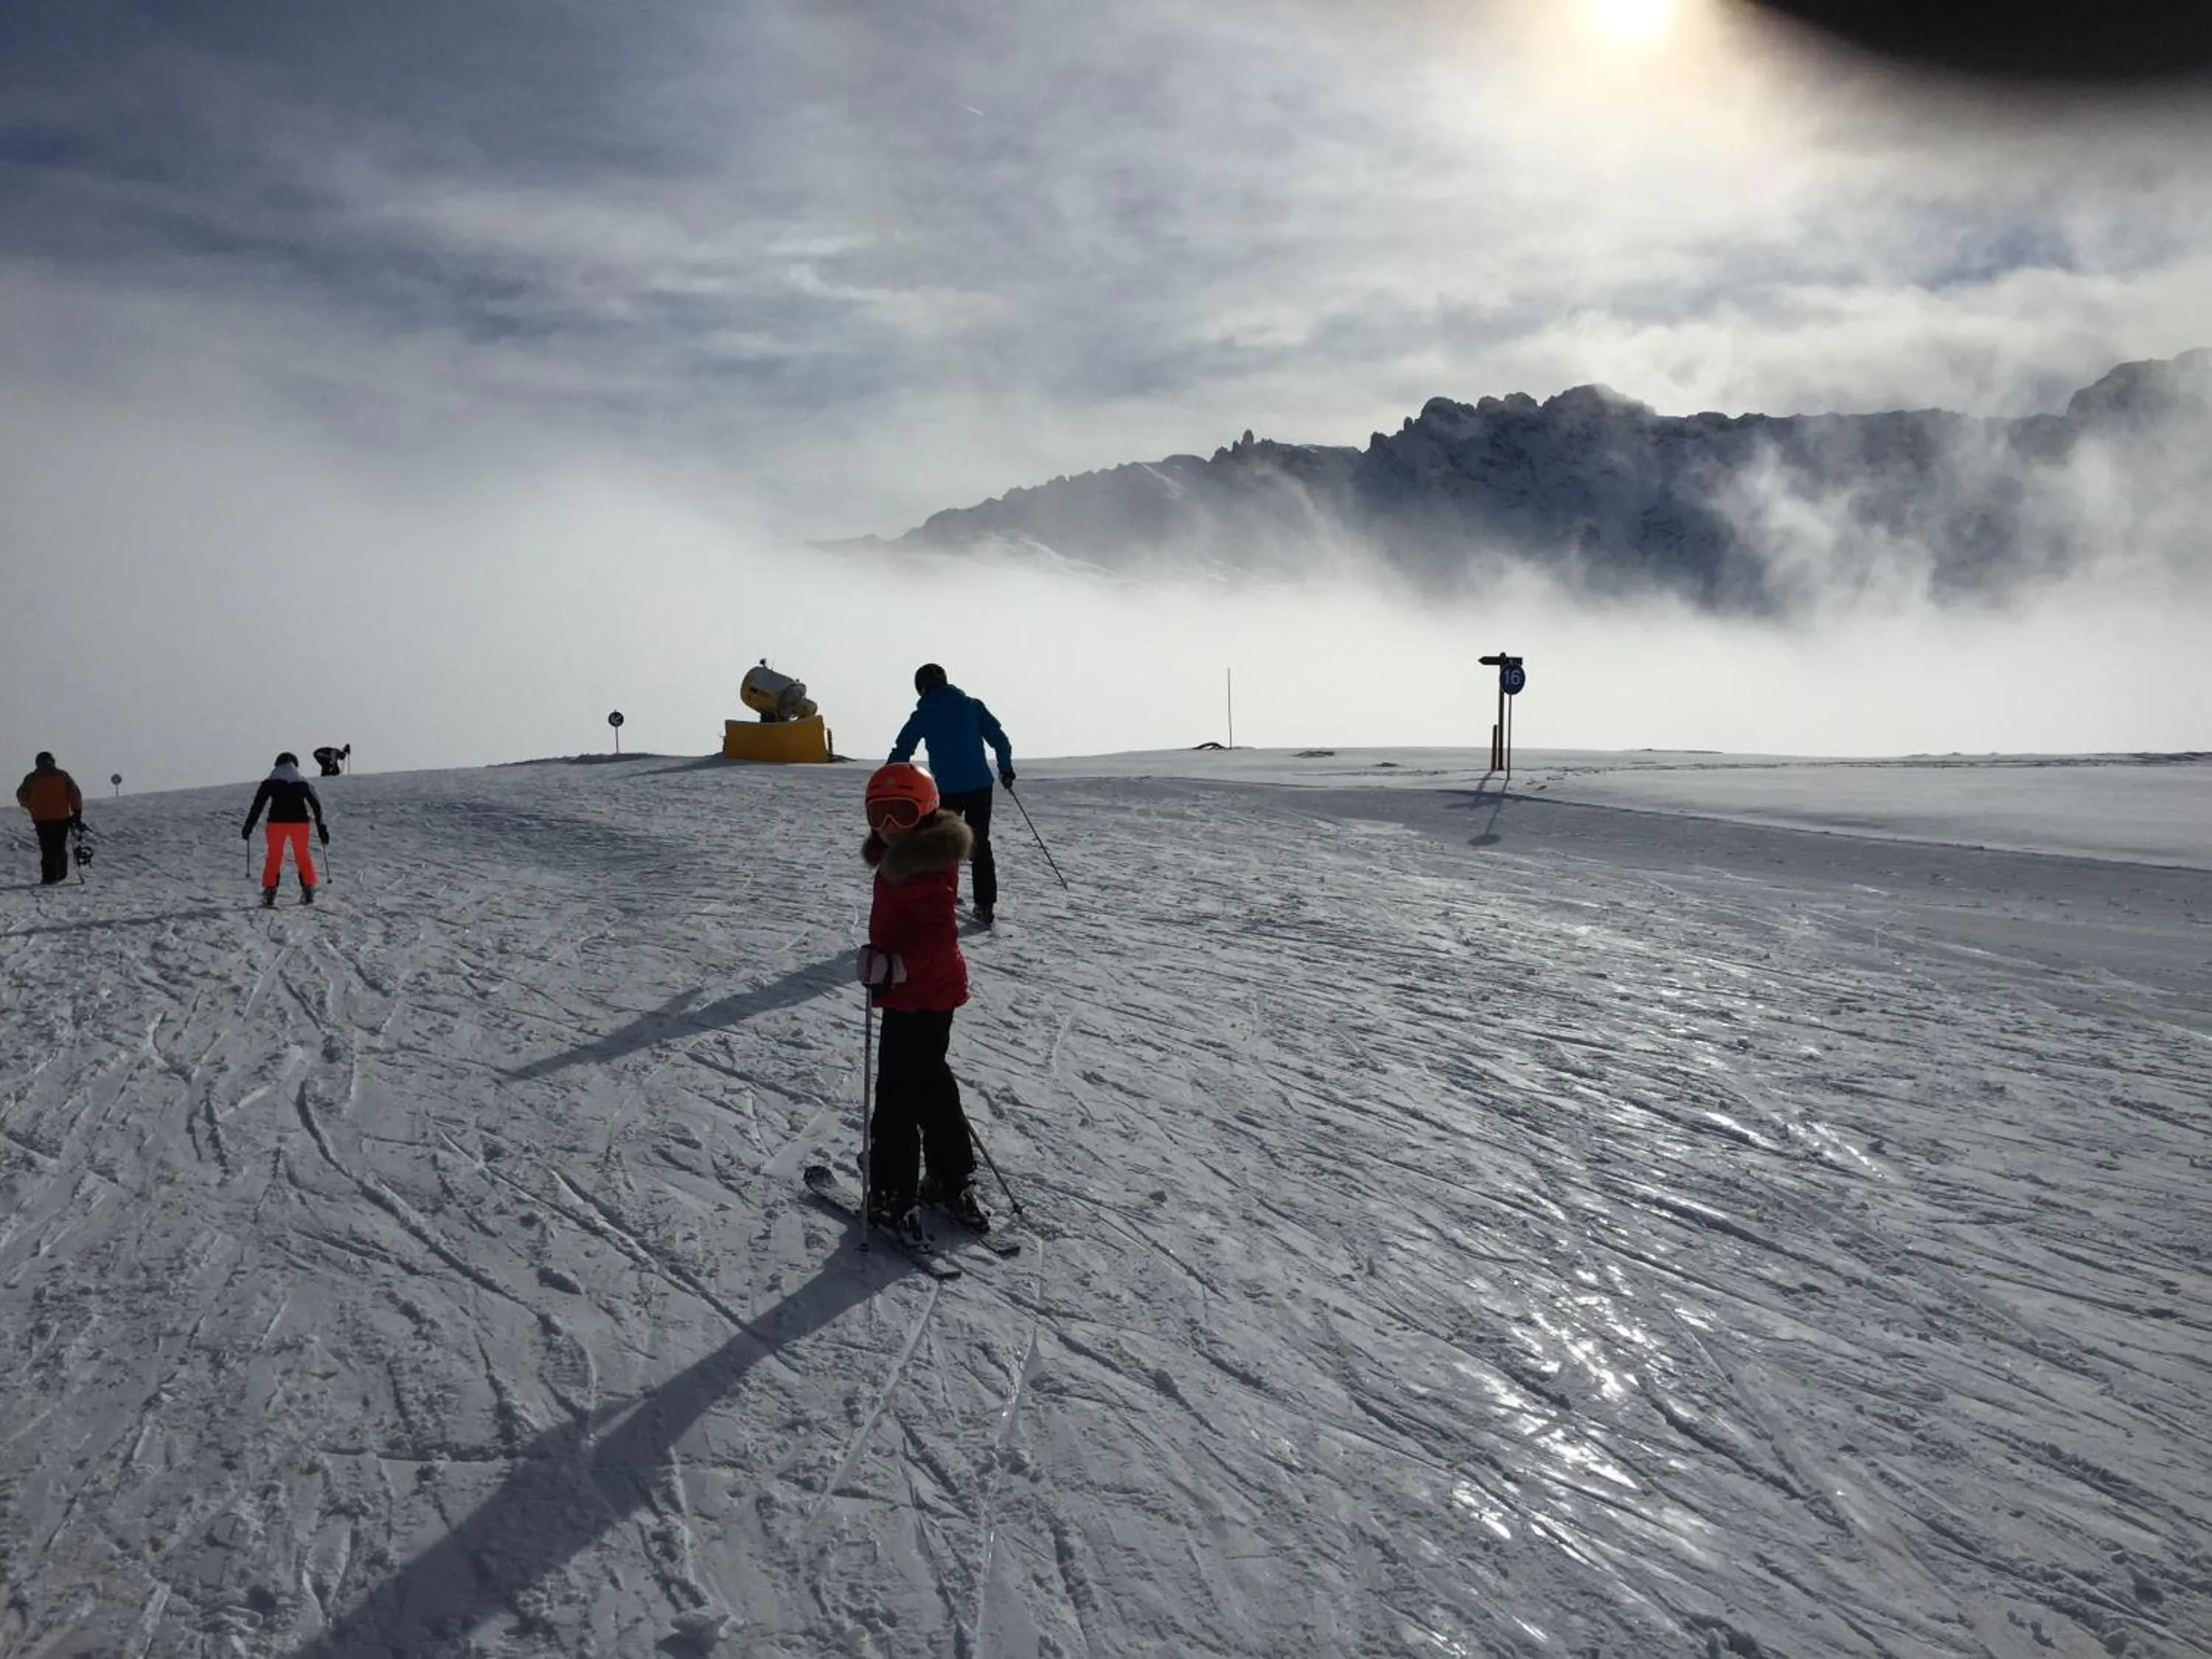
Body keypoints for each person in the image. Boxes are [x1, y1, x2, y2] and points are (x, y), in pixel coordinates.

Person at [856, 761, 990, 1242]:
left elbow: (939, 933)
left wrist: (895, 966)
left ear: (927, 812)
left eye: (901, 814)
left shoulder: (922, 866)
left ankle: (894, 1194)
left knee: (897, 1094)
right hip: (934, 991)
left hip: (916, 994)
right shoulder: (919, 854)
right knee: (931, 1079)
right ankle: (950, 1178)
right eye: (879, 814)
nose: (889, 828)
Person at [887, 663, 1015, 926]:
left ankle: (944, 893)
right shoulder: (972, 706)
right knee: (980, 842)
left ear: (921, 689)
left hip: (947, 790)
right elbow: (1000, 740)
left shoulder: (922, 715)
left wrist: (889, 779)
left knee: (943, 843)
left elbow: (903, 749)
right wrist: (1006, 770)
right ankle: (985, 905)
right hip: (980, 784)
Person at [242, 751, 329, 907]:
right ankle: (308, 889)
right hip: (300, 824)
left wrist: (249, 826)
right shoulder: (303, 782)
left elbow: (258, 806)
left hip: (276, 823)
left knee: (274, 856)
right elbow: (317, 806)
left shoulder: (270, 782)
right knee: (302, 855)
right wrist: (322, 828)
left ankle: (270, 892)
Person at [15, 751, 83, 885]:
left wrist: (31, 806)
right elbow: (74, 793)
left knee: (47, 847)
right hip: (61, 817)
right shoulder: (62, 776)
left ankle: (49, 876)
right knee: (60, 846)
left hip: (41, 819)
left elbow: (21, 796)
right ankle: (62, 873)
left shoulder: (32, 778)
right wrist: (77, 811)